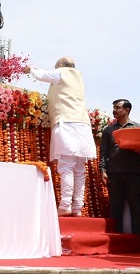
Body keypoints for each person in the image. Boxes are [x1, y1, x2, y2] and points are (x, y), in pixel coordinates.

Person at [26, 58, 96, 216]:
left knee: (66, 167)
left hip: (67, 124)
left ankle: (65, 205)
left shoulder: (62, 72)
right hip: (83, 126)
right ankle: (77, 206)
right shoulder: (78, 78)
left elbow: (41, 75)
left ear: (60, 66)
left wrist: (31, 69)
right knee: (79, 169)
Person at [100, 99, 140, 245]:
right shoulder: (108, 130)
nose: (114, 110)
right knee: (115, 208)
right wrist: (102, 169)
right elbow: (103, 152)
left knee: (136, 208)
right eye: (113, 107)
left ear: (127, 110)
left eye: (118, 107)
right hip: (115, 173)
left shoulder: (139, 128)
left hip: (135, 173)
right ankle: (115, 242)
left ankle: (138, 242)